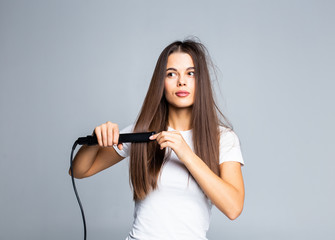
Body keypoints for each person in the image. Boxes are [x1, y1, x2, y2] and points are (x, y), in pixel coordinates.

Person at [70, 39, 245, 240]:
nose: (182, 81)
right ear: (160, 82)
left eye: (191, 73)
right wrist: (95, 140)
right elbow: (78, 171)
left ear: (201, 81)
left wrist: (186, 153)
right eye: (171, 74)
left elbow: (233, 208)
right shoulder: (142, 133)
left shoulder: (223, 138)